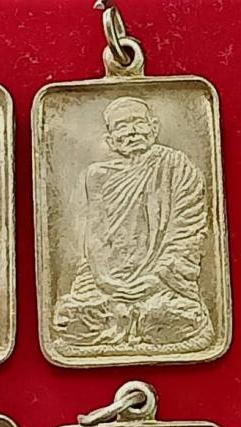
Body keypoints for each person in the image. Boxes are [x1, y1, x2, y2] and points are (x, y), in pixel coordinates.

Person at [54, 97, 213, 352]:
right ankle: (132, 320)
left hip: (163, 281)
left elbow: (188, 234)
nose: (132, 131)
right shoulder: (98, 175)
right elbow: (94, 237)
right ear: (111, 140)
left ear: (153, 127)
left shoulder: (176, 166)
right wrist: (106, 282)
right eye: (122, 126)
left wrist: (154, 280)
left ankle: (136, 319)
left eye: (138, 122)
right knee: (70, 317)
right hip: (105, 280)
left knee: (173, 314)